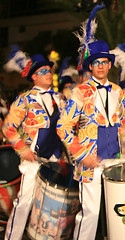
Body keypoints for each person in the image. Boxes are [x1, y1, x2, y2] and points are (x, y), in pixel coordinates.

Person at [56, 40, 124, 240]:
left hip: (115, 157)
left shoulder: (118, 91)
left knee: (116, 210)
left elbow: (122, 123)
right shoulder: (80, 92)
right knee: (91, 213)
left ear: (110, 65)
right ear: (91, 66)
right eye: (96, 63)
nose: (101, 66)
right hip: (90, 159)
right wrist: (81, 154)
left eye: (104, 62)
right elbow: (63, 126)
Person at [3, 53, 66, 240]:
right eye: (43, 71)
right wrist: (23, 149)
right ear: (34, 77)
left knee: (52, 206)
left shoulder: (61, 98)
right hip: (33, 158)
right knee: (24, 203)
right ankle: (11, 237)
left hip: (56, 158)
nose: (48, 73)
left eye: (49, 70)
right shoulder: (24, 99)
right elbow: (8, 128)